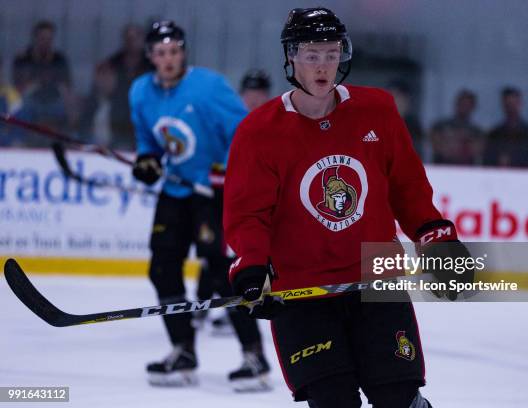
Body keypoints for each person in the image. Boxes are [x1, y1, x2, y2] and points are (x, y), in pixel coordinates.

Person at [224, 8, 472, 407]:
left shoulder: (377, 110)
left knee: (397, 399)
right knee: (334, 401)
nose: (323, 65)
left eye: (330, 53)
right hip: (302, 291)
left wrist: (434, 236)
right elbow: (248, 214)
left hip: (376, 278)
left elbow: (407, 186)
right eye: (311, 54)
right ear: (291, 57)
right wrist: (252, 265)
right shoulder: (259, 131)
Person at [129, 20, 269, 389]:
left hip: (215, 193)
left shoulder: (208, 87)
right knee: (162, 269)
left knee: (224, 273)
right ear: (151, 57)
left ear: (183, 51)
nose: (168, 58)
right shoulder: (140, 92)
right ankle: (183, 350)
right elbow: (149, 140)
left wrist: (226, 173)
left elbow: (245, 133)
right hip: (176, 193)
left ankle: (254, 355)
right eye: (161, 53)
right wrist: (148, 159)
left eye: (174, 50)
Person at [195, 68, 273, 335]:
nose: (254, 98)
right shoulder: (230, 122)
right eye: (250, 93)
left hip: (255, 201)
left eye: (260, 93)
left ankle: (240, 310)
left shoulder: (273, 124)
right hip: (221, 197)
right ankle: (210, 305)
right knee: (214, 254)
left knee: (237, 253)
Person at [483, 86, 528, 168]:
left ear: (520, 104)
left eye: (513, 104)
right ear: (503, 105)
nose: (510, 108)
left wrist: (515, 161)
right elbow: (487, 161)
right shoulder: (495, 135)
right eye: (507, 104)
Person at [430, 89, 484, 165]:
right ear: (456, 104)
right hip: (441, 169)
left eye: (467, 104)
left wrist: (454, 144)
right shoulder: (440, 126)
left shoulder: (477, 131)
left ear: (473, 107)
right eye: (462, 103)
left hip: (467, 172)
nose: (464, 107)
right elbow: (437, 145)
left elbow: (476, 150)